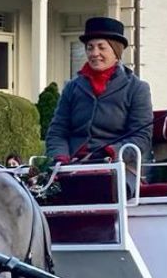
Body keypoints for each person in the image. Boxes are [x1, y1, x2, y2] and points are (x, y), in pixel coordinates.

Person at [44, 16, 153, 180]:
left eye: (101, 47)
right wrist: (61, 159)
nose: (95, 53)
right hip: (70, 167)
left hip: (118, 169)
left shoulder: (137, 89)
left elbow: (141, 137)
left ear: (116, 52)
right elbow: (57, 132)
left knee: (95, 187)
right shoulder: (72, 88)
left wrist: (112, 153)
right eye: (90, 47)